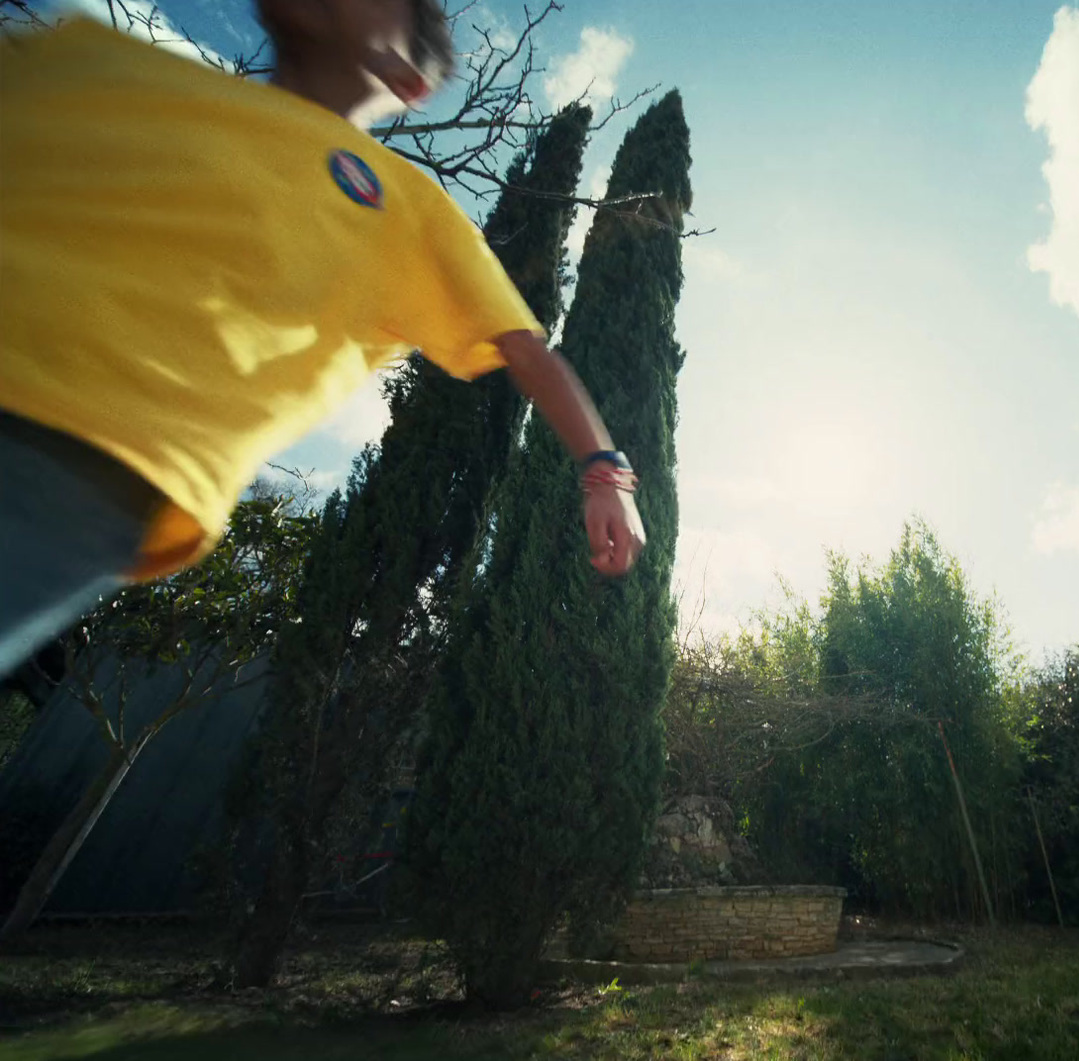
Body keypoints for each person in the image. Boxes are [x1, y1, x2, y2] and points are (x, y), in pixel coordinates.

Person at [0, 0, 647, 678]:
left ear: (407, 80)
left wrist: (605, 472)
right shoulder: (98, 60)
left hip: (89, 456)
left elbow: (527, 350)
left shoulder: (403, 206)